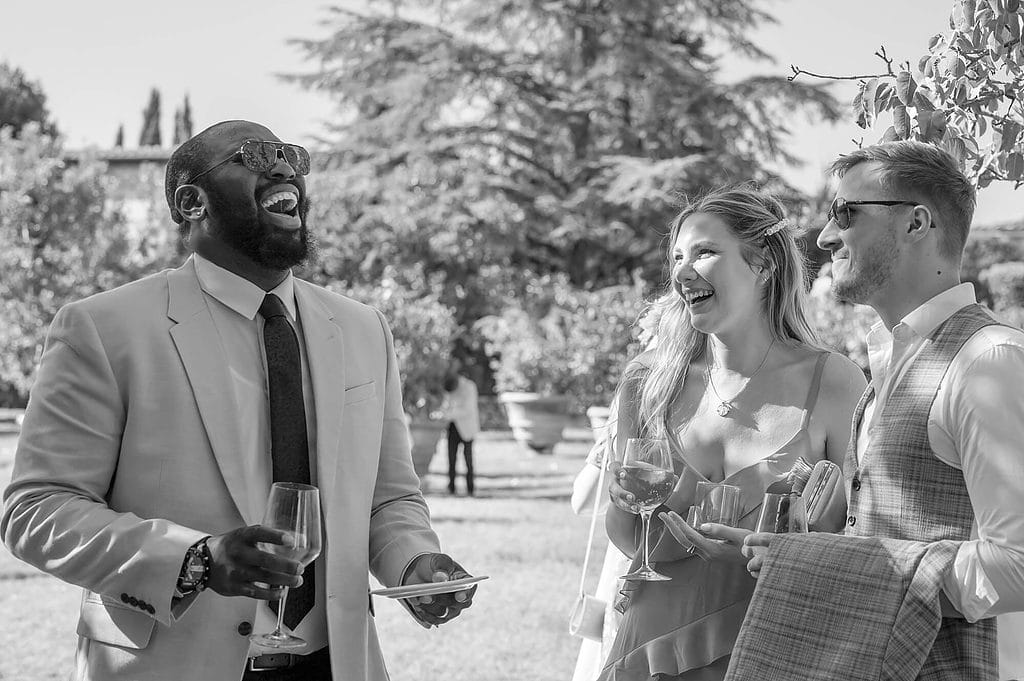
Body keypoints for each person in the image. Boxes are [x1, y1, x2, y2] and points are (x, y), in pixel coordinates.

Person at [1, 120, 475, 681]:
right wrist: (195, 560)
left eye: (289, 155)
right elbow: (38, 510)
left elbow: (388, 497)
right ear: (191, 202)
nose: (282, 167)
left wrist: (413, 560)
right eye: (252, 156)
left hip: (338, 665)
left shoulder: (363, 328)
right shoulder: (103, 329)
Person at [743, 141, 1024, 680]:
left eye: (845, 214)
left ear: (917, 223)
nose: (825, 238)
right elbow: (892, 538)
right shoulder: (889, 366)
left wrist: (841, 570)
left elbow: (1017, 564)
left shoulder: (989, 362)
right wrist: (797, 558)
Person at [598, 186, 867, 680]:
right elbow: (626, 538)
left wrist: (778, 552)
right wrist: (620, 500)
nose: (682, 271)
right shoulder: (648, 379)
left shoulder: (834, 381)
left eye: (704, 252)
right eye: (677, 256)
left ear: (762, 263)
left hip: (774, 648)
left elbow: (864, 536)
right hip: (648, 648)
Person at [441, 363, 480, 495]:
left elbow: (468, 409)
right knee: (451, 459)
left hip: (467, 428)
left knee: (468, 459)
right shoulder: (449, 387)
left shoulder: (470, 387)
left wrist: (448, 414)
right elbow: (446, 404)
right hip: (453, 427)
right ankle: (451, 487)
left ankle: (470, 488)